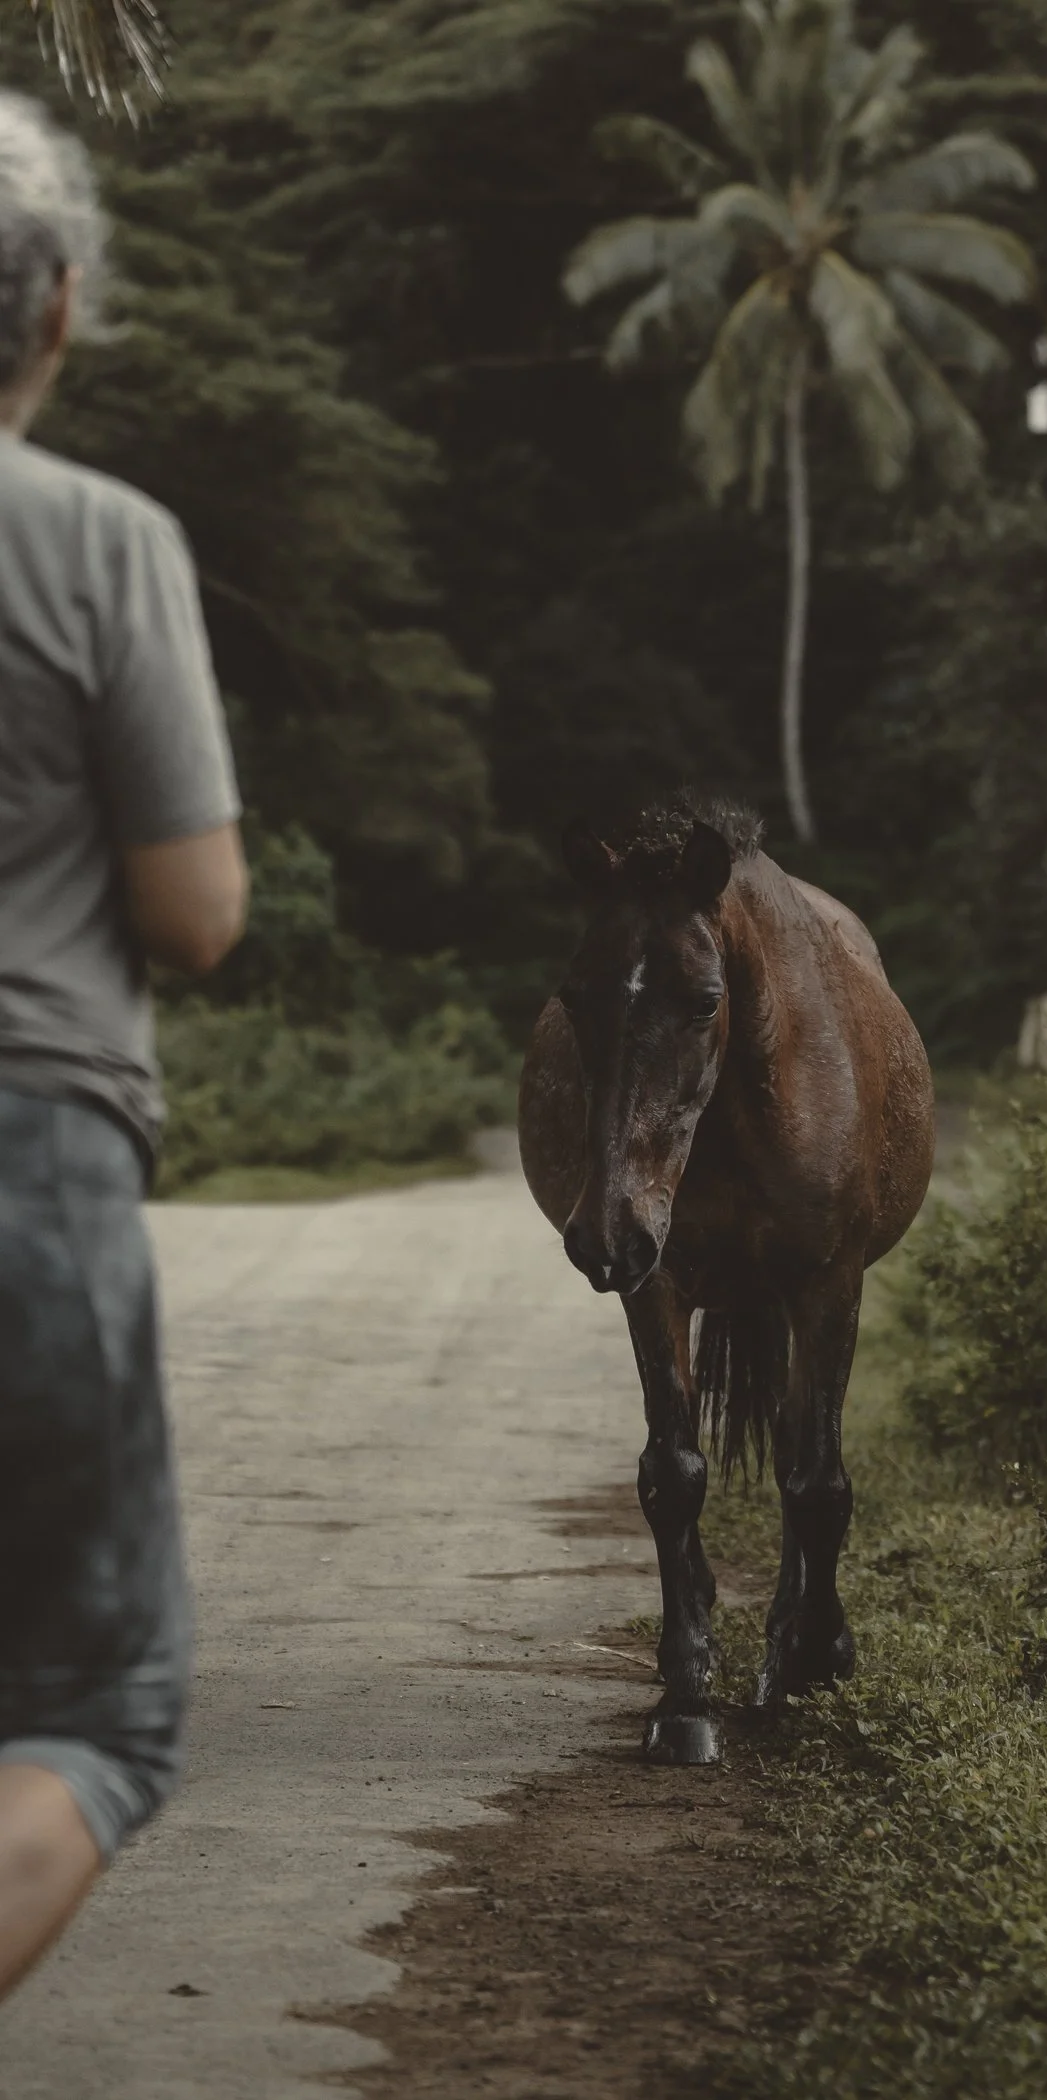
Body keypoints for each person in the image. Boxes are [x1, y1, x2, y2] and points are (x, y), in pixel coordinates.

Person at [0, 91, 247, 2000]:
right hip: (32, 1160)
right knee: (97, 1707)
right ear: (59, 307)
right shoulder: (98, 544)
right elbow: (193, 912)